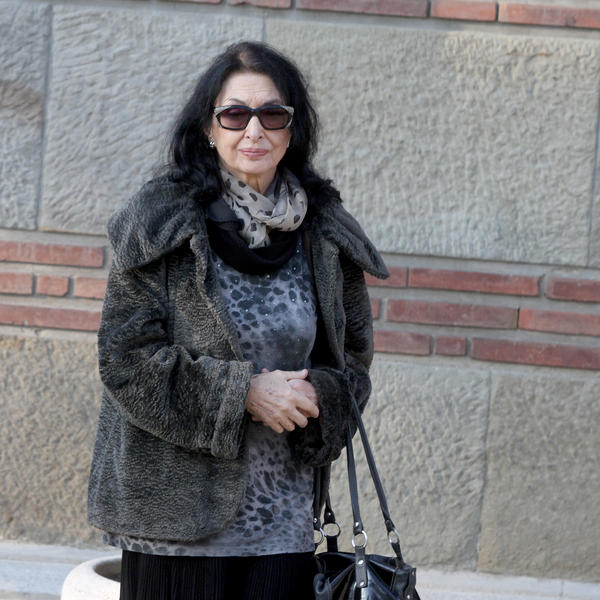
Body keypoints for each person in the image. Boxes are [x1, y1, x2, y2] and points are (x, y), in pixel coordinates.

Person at [87, 40, 388, 600]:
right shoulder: (160, 223)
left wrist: (318, 397)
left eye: (272, 115)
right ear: (209, 127)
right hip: (175, 522)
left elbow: (353, 362)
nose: (254, 131)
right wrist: (245, 393)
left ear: (292, 130)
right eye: (234, 114)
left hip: (283, 521)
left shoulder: (325, 232)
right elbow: (126, 361)